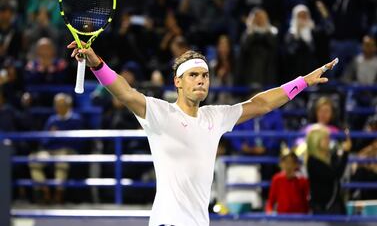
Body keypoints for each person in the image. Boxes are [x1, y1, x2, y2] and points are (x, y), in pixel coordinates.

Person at [67, 40, 338, 226]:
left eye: (205, 76)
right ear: (178, 82)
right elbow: (124, 91)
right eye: (193, 75)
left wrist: (302, 82)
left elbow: (262, 103)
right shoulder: (160, 114)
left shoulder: (216, 116)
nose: (200, 80)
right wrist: (96, 62)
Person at [306, 124, 352, 214]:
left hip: (334, 202)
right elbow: (335, 174)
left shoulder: (328, 156)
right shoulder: (313, 161)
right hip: (324, 207)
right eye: (325, 138)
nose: (328, 141)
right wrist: (345, 153)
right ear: (316, 141)